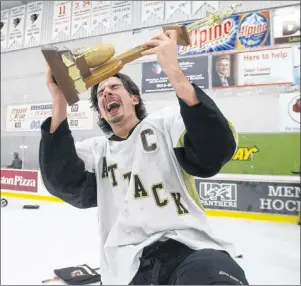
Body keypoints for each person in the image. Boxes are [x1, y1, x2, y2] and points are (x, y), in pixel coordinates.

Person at [39, 30, 248, 285]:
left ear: (134, 98)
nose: (106, 93)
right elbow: (59, 180)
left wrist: (173, 70)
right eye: (101, 92)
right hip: (126, 268)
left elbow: (215, 150)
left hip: (190, 250)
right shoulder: (95, 150)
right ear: (102, 114)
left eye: (115, 87)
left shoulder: (167, 123)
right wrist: (59, 100)